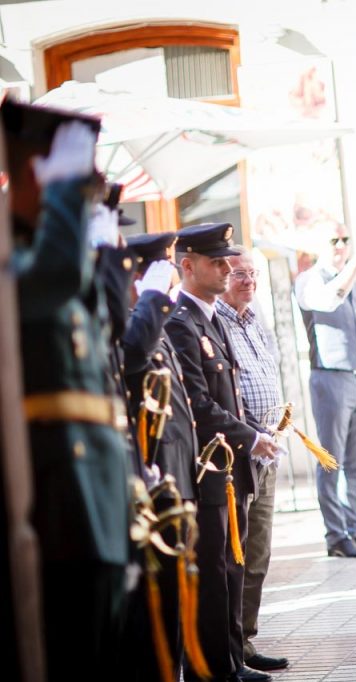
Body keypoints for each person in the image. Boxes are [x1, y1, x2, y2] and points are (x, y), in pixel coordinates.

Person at [3, 100, 131, 680]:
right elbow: (48, 285)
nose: (86, 196)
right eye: (78, 182)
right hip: (53, 510)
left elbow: (106, 337)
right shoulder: (17, 256)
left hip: (96, 505)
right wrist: (62, 199)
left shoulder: (55, 249)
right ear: (38, 174)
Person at [165, 223, 280, 682]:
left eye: (226, 260)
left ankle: (231, 659)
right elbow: (198, 402)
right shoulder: (181, 323)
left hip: (229, 468)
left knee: (232, 566)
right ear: (187, 266)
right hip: (208, 467)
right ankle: (212, 668)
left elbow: (227, 395)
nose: (226, 268)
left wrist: (255, 432)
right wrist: (250, 436)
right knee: (213, 570)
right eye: (216, 262)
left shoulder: (211, 317)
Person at [118, 231, 198, 682]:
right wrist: (151, 299)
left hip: (175, 480)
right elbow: (133, 358)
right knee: (156, 611)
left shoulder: (156, 322)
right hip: (150, 486)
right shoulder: (136, 323)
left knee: (175, 602)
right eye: (158, 271)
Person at [295, 223, 356, 557]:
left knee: (355, 462)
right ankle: (335, 535)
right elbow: (328, 300)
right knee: (330, 461)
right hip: (330, 377)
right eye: (332, 239)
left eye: (345, 239)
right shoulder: (309, 280)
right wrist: (355, 264)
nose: (340, 245)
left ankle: (355, 526)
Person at [215, 247, 290, 673]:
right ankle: (229, 651)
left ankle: (245, 641)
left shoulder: (254, 317)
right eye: (238, 274)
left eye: (252, 273)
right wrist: (252, 436)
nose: (248, 281)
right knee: (235, 555)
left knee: (258, 554)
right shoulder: (215, 321)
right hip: (237, 457)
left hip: (267, 453)